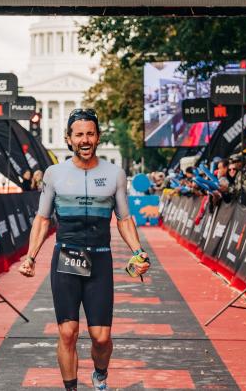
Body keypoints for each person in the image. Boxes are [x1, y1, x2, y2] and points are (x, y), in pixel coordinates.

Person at [18, 108, 151, 391]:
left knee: (101, 337)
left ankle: (100, 375)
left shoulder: (115, 174)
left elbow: (124, 218)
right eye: (79, 134)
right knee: (68, 332)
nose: (85, 139)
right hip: (66, 256)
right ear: (69, 139)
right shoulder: (54, 174)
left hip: (100, 258)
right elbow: (42, 219)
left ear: (98, 137)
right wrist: (31, 257)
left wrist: (138, 252)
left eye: (90, 133)